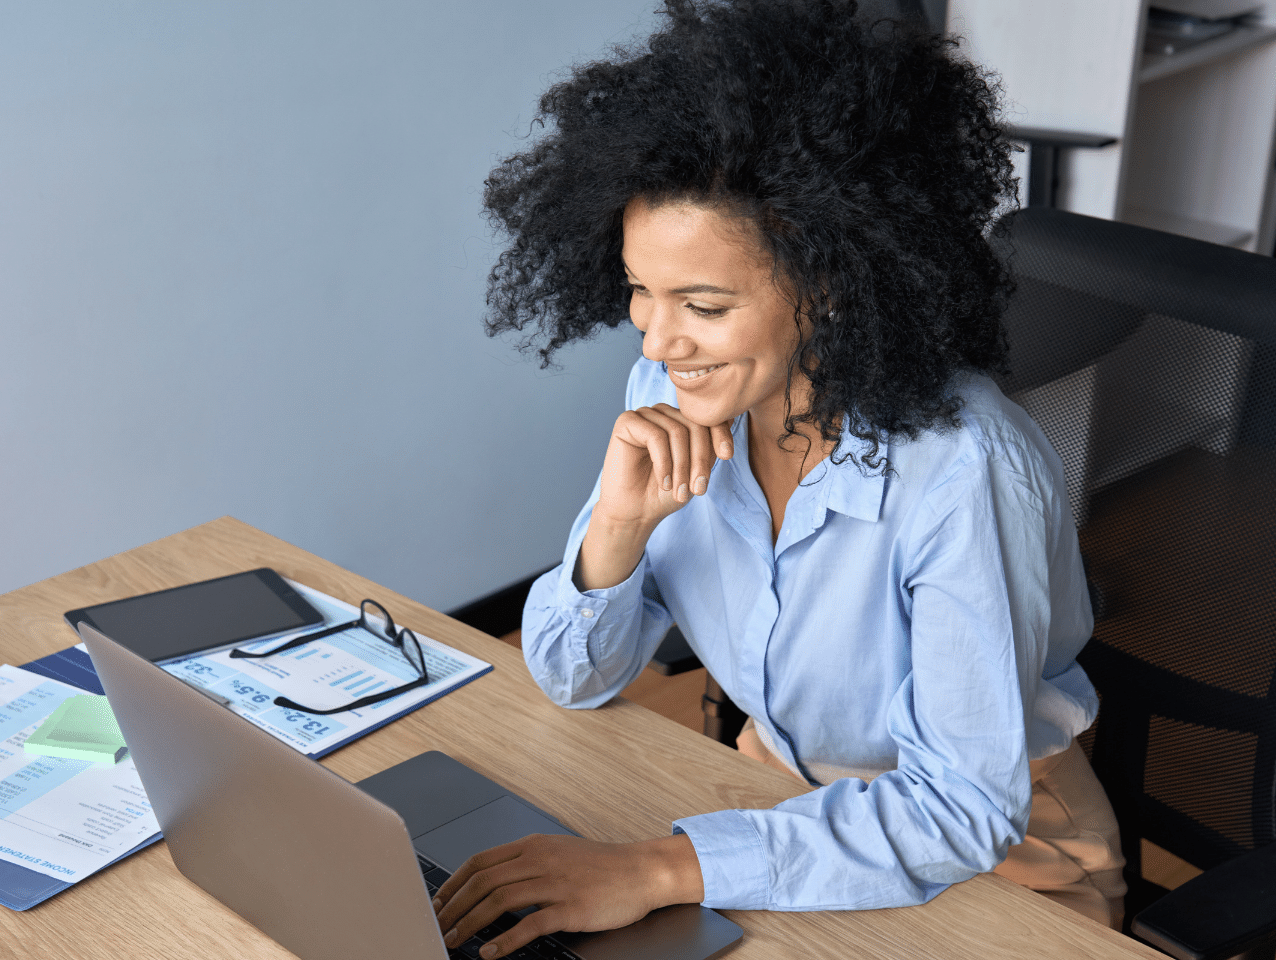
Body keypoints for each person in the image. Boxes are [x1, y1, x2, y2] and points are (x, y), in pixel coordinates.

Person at [432, 2, 1126, 956]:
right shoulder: (672, 396)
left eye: (703, 305)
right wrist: (617, 536)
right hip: (771, 792)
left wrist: (661, 867)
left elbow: (962, 810)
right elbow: (568, 681)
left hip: (999, 854)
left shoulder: (964, 472)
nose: (658, 339)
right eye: (641, 290)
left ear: (830, 284)